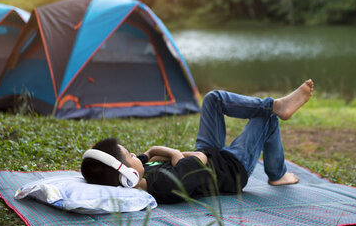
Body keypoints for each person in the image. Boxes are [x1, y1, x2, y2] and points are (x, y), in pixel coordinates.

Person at [81, 80, 314, 204]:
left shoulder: (139, 174)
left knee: (213, 99)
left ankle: (275, 104)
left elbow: (151, 153)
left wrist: (164, 154)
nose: (136, 155)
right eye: (130, 156)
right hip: (231, 169)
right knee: (267, 121)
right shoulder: (162, 185)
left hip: (211, 153)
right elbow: (198, 160)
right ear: (127, 176)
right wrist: (173, 153)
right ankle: (277, 173)